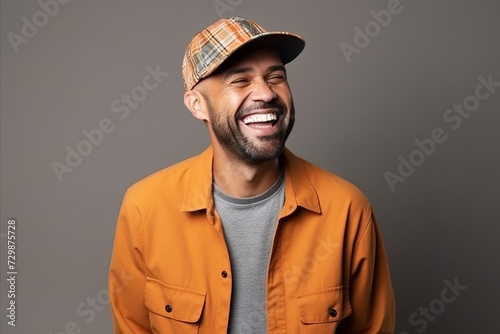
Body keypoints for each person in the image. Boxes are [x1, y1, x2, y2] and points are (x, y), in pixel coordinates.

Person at [108, 16, 395, 333]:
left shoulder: (347, 209)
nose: (267, 93)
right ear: (197, 105)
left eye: (276, 77)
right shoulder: (145, 209)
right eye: (240, 80)